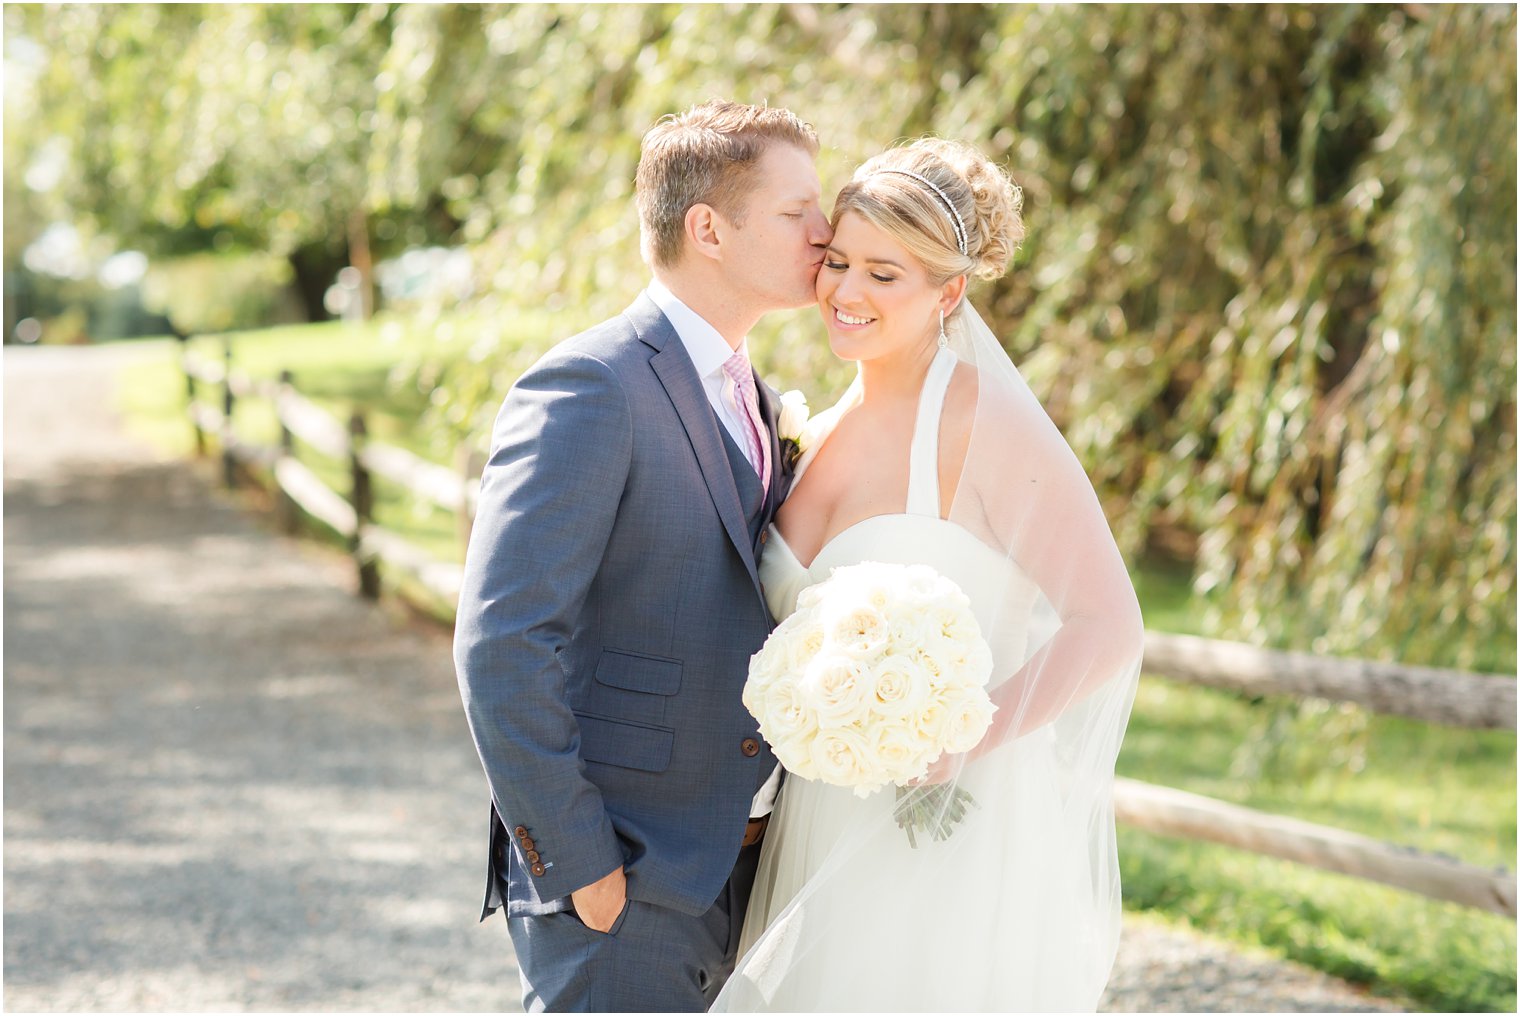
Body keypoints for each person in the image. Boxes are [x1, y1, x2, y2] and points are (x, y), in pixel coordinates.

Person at [711, 139, 1145, 1012]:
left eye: (885, 274)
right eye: (837, 263)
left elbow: (1109, 623)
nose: (846, 293)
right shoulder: (815, 428)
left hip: (943, 832)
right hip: (814, 818)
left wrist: (964, 741)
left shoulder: (985, 426)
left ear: (949, 292)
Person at [453, 99, 831, 1012]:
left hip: (751, 871)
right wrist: (584, 869)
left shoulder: (759, 395)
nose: (828, 233)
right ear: (708, 227)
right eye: (798, 213)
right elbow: (503, 645)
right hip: (625, 882)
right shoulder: (591, 385)